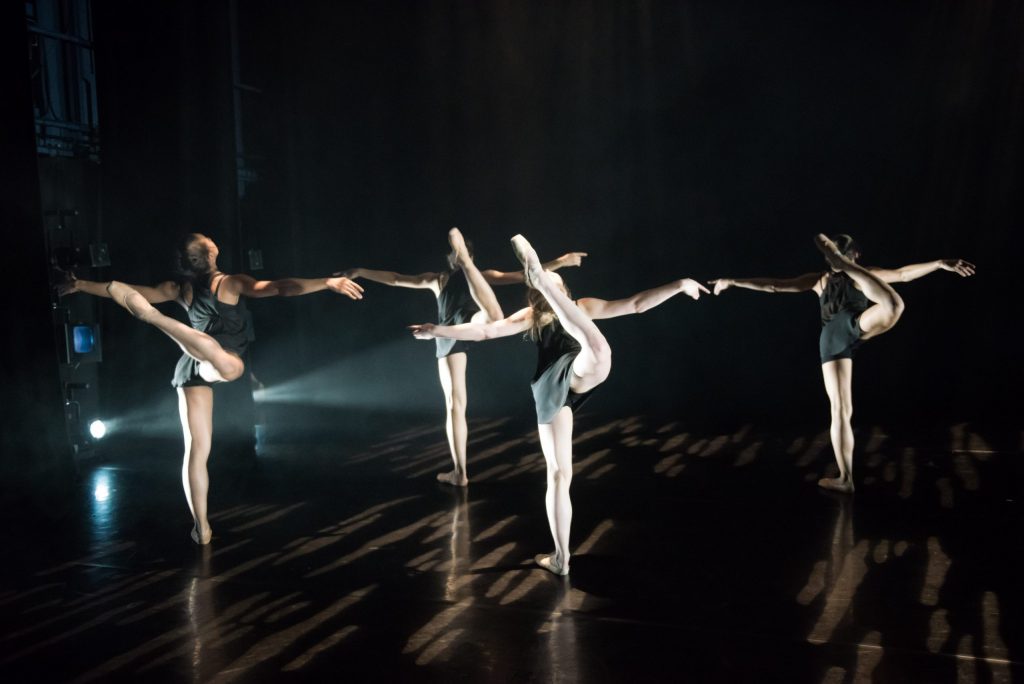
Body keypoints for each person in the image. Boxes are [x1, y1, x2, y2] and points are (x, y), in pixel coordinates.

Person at [410, 234, 708, 575]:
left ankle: (561, 557)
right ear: (537, 293)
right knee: (558, 473)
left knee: (597, 353)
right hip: (552, 387)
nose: (548, 287)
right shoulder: (532, 315)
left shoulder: (584, 305)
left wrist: (679, 284)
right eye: (542, 284)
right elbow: (486, 333)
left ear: (563, 287)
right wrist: (438, 331)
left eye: (553, 282)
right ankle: (560, 558)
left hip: (579, 370)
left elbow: (637, 304)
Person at [60, 232, 364, 544]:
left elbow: (130, 292)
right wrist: (327, 282)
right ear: (210, 254)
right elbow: (279, 288)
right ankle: (159, 322)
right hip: (218, 360)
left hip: (194, 364)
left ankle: (201, 527)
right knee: (230, 366)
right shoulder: (229, 282)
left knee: (196, 448)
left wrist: (82, 284)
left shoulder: (178, 289)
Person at [709, 233, 975, 493]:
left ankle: (845, 479)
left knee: (891, 310)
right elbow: (775, 285)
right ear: (847, 256)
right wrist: (733, 281)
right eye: (835, 258)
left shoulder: (851, 276)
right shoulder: (821, 280)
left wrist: (939, 264)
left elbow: (903, 274)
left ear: (850, 255)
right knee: (843, 404)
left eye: (840, 256)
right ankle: (845, 478)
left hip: (851, 329)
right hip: (837, 334)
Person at [342, 227, 586, 487]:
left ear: (456, 257)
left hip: (457, 328)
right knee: (461, 387)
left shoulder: (439, 279)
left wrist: (360, 271)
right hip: (465, 325)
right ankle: (459, 473)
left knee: (454, 404)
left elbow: (395, 278)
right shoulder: (460, 278)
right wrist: (561, 261)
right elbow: (528, 273)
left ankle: (460, 473)